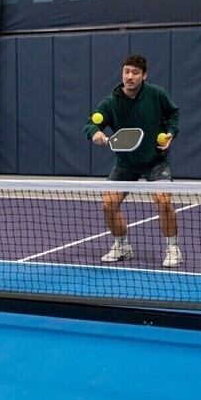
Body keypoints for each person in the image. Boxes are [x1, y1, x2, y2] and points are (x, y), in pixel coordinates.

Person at [83, 53, 182, 268]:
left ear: (144, 75)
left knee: (164, 201)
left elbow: (173, 114)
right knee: (108, 204)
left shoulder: (157, 94)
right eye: (126, 72)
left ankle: (173, 248)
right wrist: (95, 133)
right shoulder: (111, 102)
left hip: (155, 160)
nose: (129, 76)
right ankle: (122, 246)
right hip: (125, 164)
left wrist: (171, 133)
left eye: (135, 73)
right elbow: (91, 123)